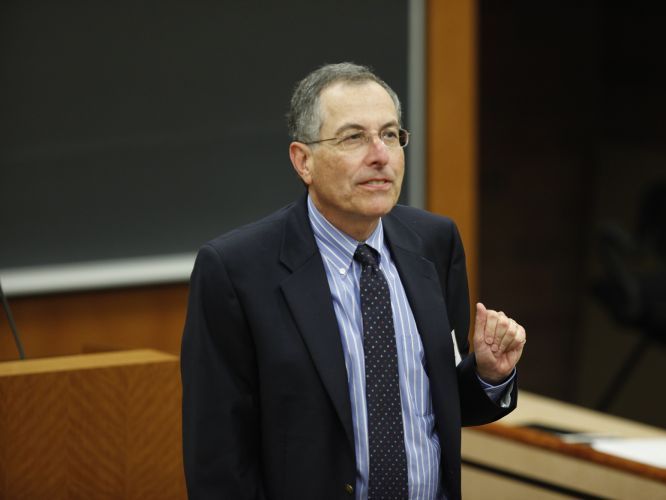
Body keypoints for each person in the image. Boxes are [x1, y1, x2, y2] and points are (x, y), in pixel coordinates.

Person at [180, 62, 526, 500]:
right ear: (303, 161)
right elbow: (217, 458)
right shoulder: (234, 271)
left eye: (389, 134)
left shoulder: (435, 243)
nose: (379, 154)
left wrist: (487, 375)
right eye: (354, 138)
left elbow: (435, 406)